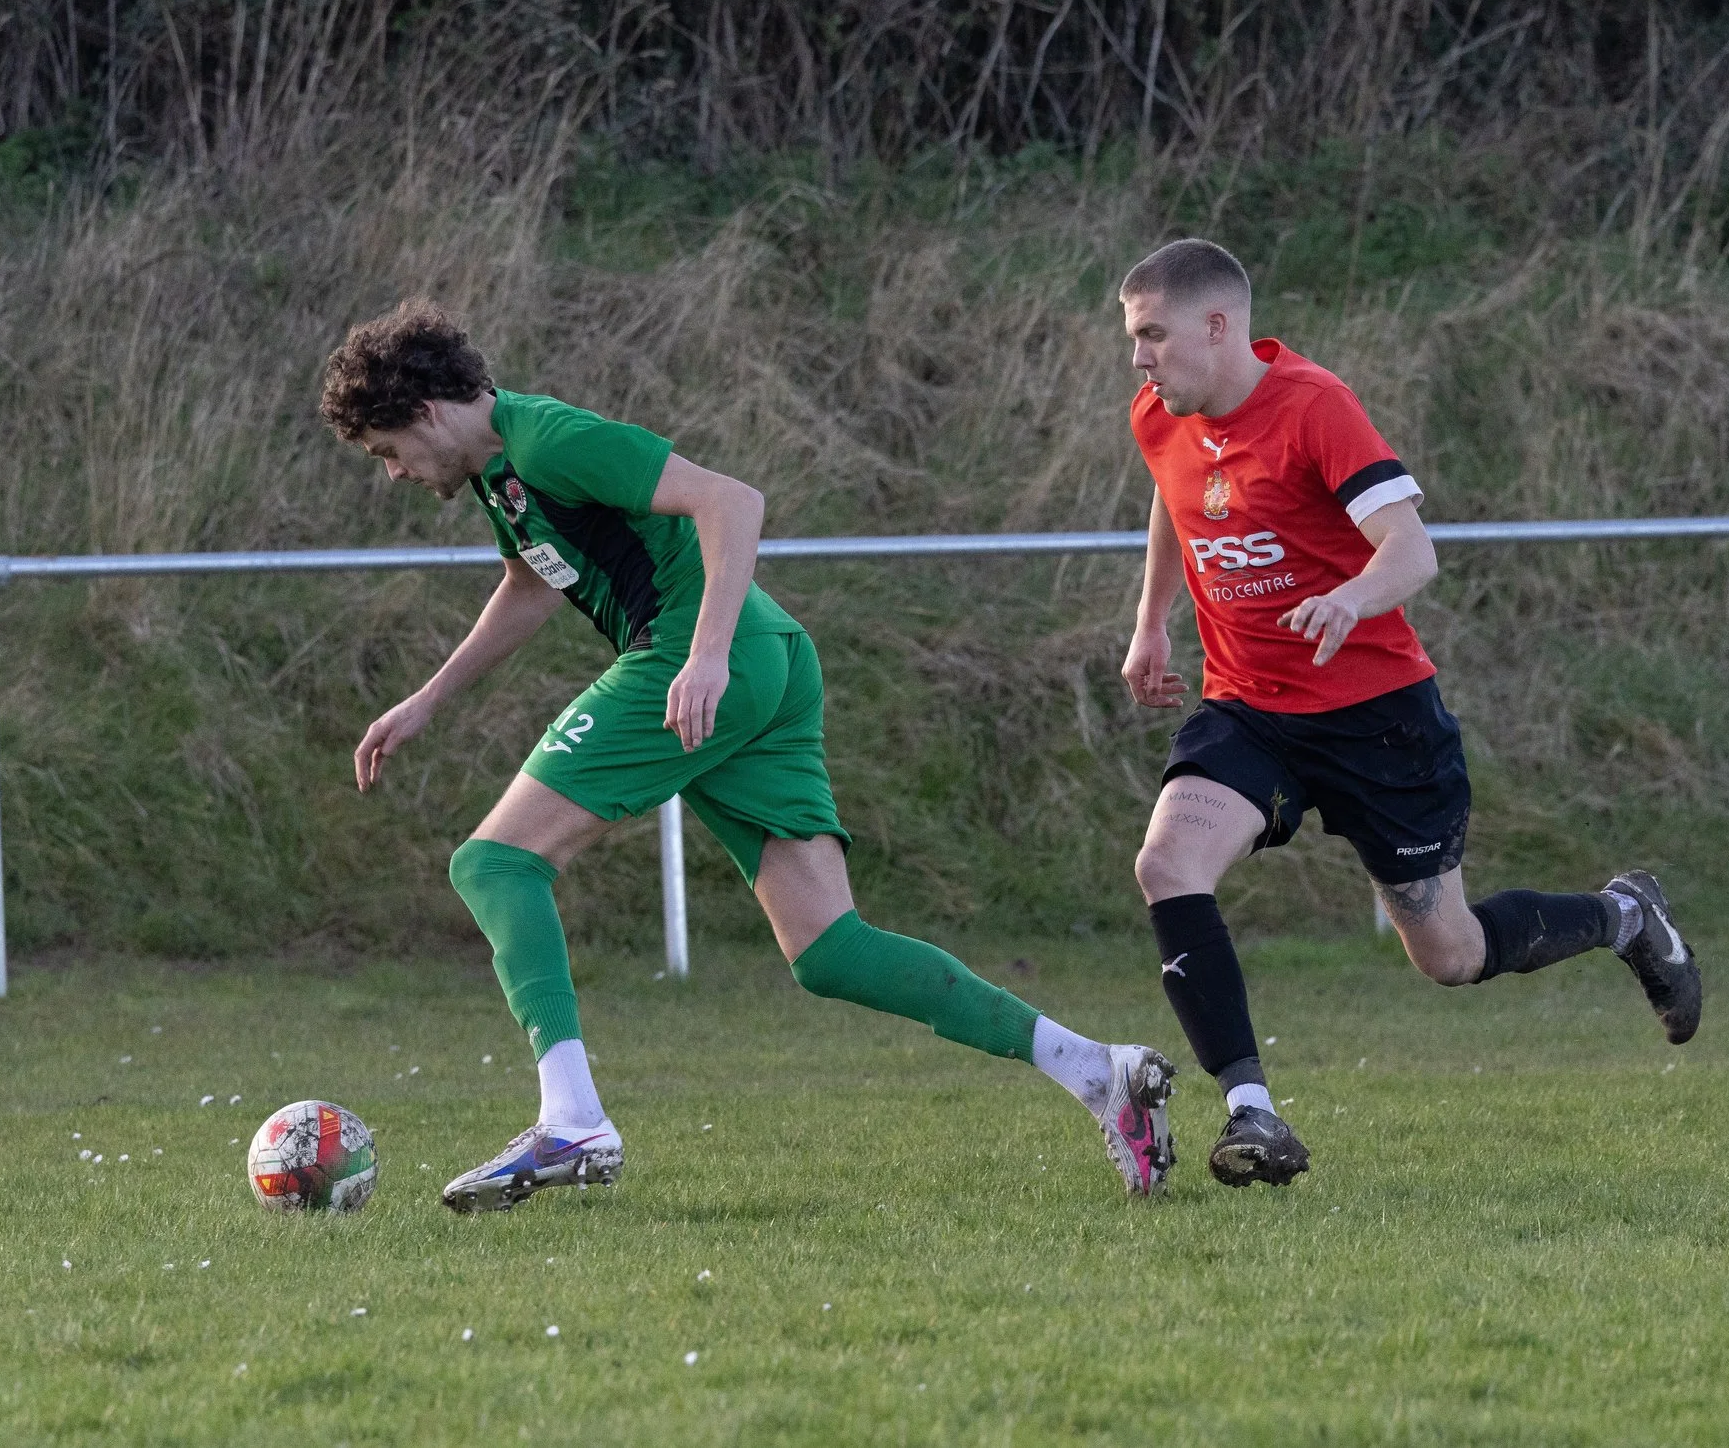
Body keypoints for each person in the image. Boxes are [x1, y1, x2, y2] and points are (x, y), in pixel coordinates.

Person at [318, 300, 1177, 1209]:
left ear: (424, 413)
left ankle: (571, 1119)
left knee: (494, 862)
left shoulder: (547, 439)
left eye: (385, 451)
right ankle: (1098, 1072)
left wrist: (705, 655)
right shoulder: (505, 477)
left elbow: (731, 500)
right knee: (831, 952)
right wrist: (427, 700)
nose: (393, 474)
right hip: (765, 660)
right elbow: (531, 583)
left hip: (703, 655)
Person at [1114, 240, 1702, 1189]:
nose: (1138, 357)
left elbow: (1411, 551)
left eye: (1152, 335)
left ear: (1216, 326)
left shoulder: (1314, 407)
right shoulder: (1161, 412)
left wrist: (1351, 598)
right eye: (1132, 338)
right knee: (1167, 864)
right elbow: (1171, 493)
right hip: (1249, 710)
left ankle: (1627, 917)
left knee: (1451, 954)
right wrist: (1150, 623)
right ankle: (1252, 1111)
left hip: (1376, 717)